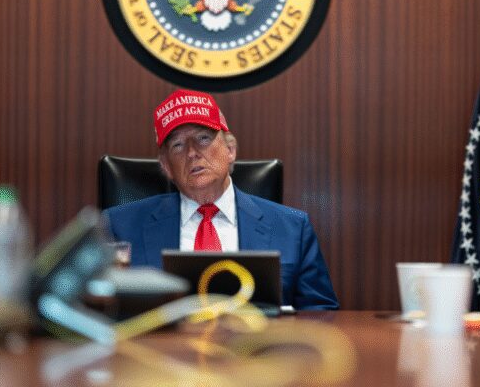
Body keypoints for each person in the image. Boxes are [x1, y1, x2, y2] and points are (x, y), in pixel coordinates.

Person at [104, 89, 339, 310]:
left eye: (203, 138)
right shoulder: (119, 227)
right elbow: (101, 311)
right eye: (178, 144)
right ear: (166, 166)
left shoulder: (293, 228)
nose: (192, 152)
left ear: (230, 150)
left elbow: (321, 315)